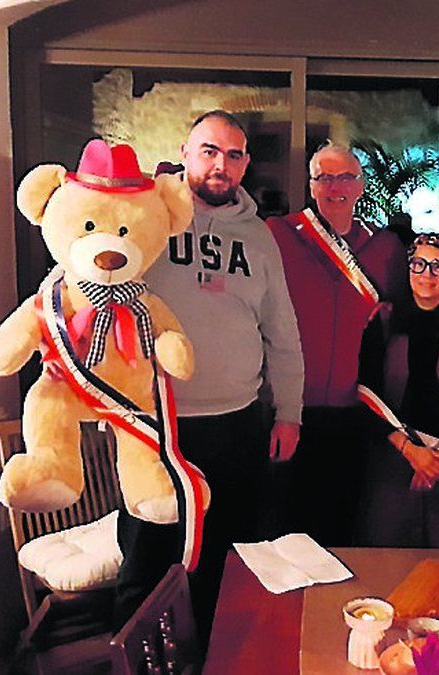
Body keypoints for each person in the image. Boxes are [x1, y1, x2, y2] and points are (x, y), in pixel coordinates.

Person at [118, 110, 305, 635]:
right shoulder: (145, 215)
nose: (220, 164)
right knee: (147, 561)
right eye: (209, 150)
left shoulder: (260, 238)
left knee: (226, 560)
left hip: (237, 425)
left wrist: (288, 413)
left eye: (234, 154)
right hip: (156, 425)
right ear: (184, 152)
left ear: (245, 164)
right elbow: (88, 276)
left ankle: (211, 661)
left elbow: (283, 334)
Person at [266, 142, 404, 546]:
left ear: (361, 187)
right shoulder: (279, 236)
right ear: (312, 186)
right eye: (325, 177)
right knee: (283, 527)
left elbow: (398, 322)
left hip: (352, 411)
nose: (335, 186)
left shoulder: (385, 249)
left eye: (346, 177)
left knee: (343, 525)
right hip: (290, 410)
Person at [357, 234, 439, 547]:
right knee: (385, 549)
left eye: (438, 266)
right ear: (407, 269)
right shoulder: (384, 320)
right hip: (394, 454)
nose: (427, 274)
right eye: (419, 264)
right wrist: (411, 452)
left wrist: (438, 456)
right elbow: (366, 391)